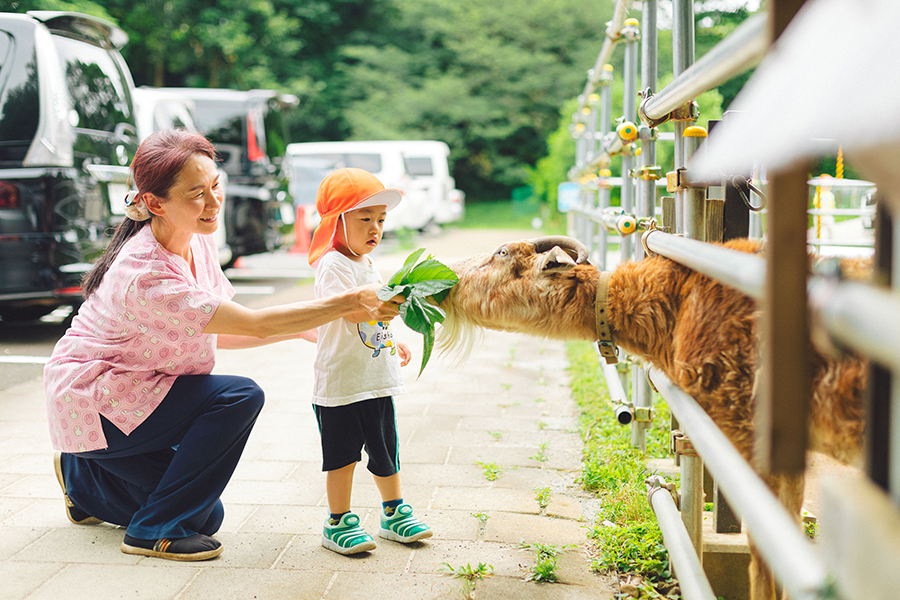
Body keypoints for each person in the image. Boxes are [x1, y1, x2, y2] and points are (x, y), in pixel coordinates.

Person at [44, 130, 401, 562]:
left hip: (135, 394)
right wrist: (343, 303)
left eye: (215, 186)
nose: (214, 204)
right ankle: (150, 531)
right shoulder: (145, 274)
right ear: (155, 204)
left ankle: (81, 475)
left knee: (205, 516)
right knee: (237, 397)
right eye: (197, 193)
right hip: (96, 401)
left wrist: (305, 330)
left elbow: (213, 327)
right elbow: (252, 324)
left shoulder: (197, 236)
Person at [308, 168, 432, 555]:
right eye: (364, 219)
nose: (375, 228)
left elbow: (376, 317)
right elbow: (353, 312)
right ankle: (338, 520)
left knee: (385, 450)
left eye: (380, 220)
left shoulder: (367, 263)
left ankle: (393, 512)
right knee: (342, 457)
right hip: (342, 385)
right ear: (336, 221)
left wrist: (396, 341)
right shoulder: (334, 265)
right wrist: (385, 306)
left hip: (376, 378)